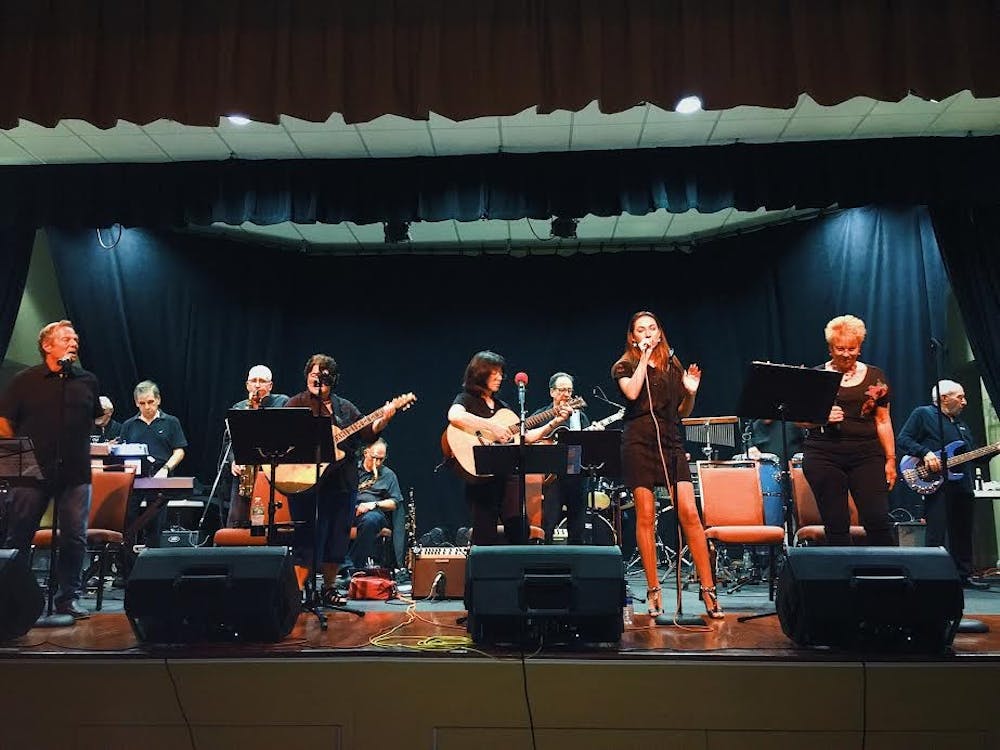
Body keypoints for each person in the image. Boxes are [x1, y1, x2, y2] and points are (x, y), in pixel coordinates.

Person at [611, 311, 722, 620]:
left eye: (652, 328)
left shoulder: (673, 365)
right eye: (640, 330)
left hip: (671, 441)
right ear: (633, 337)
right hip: (638, 442)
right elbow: (632, 392)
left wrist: (690, 392)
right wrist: (644, 361)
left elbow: (683, 412)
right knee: (646, 515)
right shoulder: (624, 365)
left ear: (660, 333)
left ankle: (708, 589)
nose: (647, 333)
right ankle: (653, 589)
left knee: (689, 512)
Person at [0, 320, 103, 620]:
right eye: (67, 338)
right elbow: (4, 423)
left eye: (76, 338)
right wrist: (17, 461)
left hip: (75, 471)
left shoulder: (87, 380)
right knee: (18, 535)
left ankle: (67, 598)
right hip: (30, 469)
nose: (74, 343)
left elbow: (96, 418)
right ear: (47, 345)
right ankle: (10, 598)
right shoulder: (24, 380)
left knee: (74, 536)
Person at [285, 354, 397, 603]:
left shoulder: (344, 408)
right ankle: (296, 594)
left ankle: (328, 588)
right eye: (313, 375)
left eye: (323, 376)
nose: (317, 380)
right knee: (306, 537)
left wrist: (384, 419)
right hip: (305, 483)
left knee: (337, 536)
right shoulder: (295, 404)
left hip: (341, 483)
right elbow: (284, 439)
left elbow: (367, 433)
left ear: (333, 380)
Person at [446, 351, 570, 546]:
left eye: (500, 373)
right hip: (481, 478)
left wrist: (555, 422)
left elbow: (526, 437)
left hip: (507, 477)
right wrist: (491, 427)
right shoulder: (466, 399)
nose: (499, 377)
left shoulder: (502, 407)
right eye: (493, 372)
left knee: (518, 527)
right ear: (479, 374)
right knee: (484, 531)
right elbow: (454, 416)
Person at [800, 314, 896, 547]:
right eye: (840, 348)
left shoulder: (876, 377)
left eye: (851, 348)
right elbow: (799, 420)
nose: (846, 354)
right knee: (836, 521)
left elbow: (883, 420)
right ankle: (845, 578)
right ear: (830, 348)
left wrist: (891, 460)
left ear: (860, 347)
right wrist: (819, 418)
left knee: (877, 518)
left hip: (866, 454)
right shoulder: (816, 376)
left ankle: (887, 575)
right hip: (824, 454)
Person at [897, 380, 989, 590]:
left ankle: (963, 575)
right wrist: (925, 453)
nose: (965, 402)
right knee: (936, 532)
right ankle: (933, 576)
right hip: (937, 484)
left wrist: (991, 451)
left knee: (963, 531)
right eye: (960, 397)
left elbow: (973, 456)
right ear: (944, 398)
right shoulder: (923, 414)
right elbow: (904, 439)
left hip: (962, 484)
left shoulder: (961, 425)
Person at [119, 380, 188, 554]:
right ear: (136, 403)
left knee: (155, 523)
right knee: (127, 521)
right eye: (142, 403)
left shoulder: (171, 422)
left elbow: (179, 451)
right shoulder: (129, 425)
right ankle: (125, 565)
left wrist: (166, 469)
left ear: (158, 400)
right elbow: (121, 452)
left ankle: (152, 563)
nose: (147, 407)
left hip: (160, 476)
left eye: (150, 402)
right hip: (133, 478)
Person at [531, 372, 593, 544]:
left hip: (577, 476)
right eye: (561, 390)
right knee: (547, 525)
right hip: (552, 478)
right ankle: (545, 565)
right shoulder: (541, 415)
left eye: (569, 390)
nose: (566, 394)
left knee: (577, 527)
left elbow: (586, 446)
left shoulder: (580, 417)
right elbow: (527, 438)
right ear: (552, 392)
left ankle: (577, 566)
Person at [225, 364, 290, 527]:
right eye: (254, 381)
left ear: (270, 386)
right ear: (247, 385)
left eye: (262, 381)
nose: (257, 385)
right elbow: (229, 442)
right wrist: (234, 460)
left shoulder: (282, 402)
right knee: (236, 521)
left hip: (272, 469)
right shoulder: (239, 408)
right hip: (245, 471)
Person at [346, 437, 402, 573]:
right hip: (349, 510)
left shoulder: (388, 475)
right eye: (374, 458)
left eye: (381, 459)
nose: (377, 463)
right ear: (366, 453)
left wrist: (374, 504)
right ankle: (335, 567)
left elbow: (394, 502)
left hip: (373, 513)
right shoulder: (351, 469)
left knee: (371, 520)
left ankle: (353, 568)